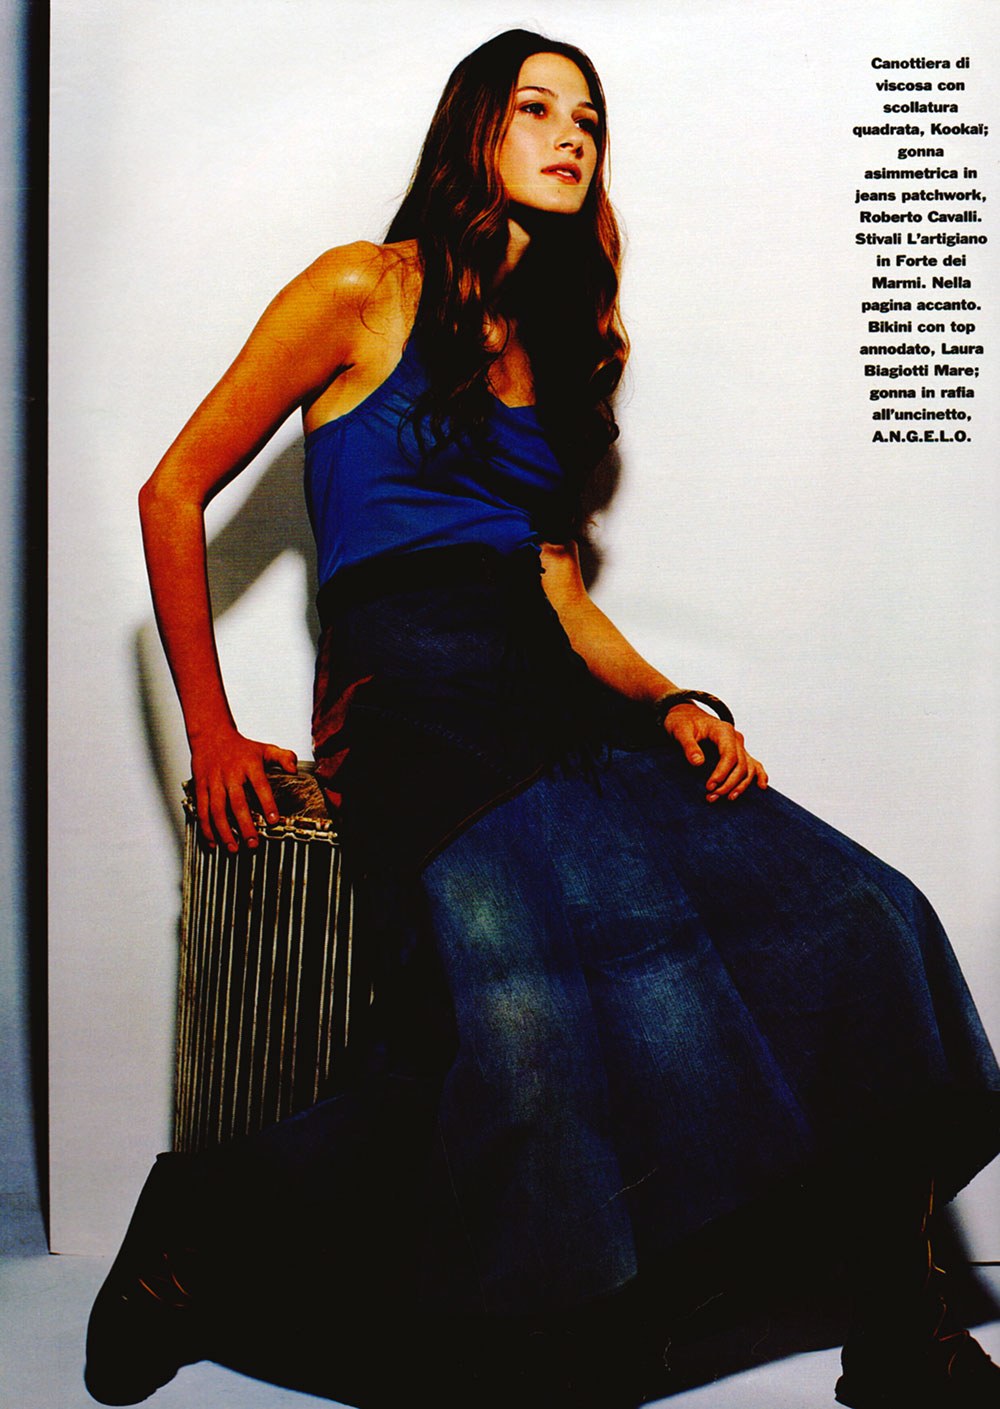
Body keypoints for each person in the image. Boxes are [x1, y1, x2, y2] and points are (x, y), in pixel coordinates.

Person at [85, 28, 1000, 1409]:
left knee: (865, 917)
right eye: (537, 108)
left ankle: (900, 1332)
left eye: (589, 118)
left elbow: (560, 595)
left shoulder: (561, 351)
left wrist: (672, 699)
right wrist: (210, 732)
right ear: (478, 130)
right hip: (416, 712)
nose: (571, 134)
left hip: (558, 714)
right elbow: (173, 492)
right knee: (520, 1032)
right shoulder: (362, 288)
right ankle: (196, 1233)